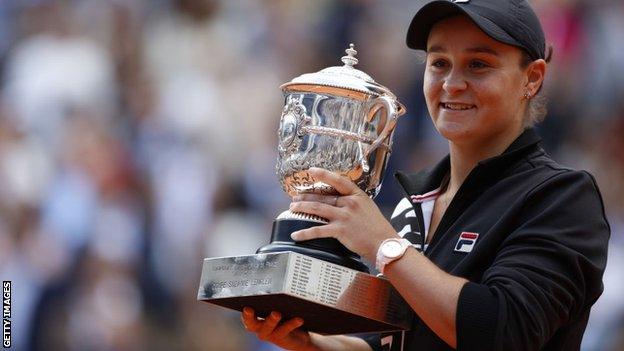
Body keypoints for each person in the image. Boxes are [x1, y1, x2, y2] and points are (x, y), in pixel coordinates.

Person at [241, 0, 610, 350]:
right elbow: (392, 342)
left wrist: (386, 247)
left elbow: (504, 331)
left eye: (478, 64)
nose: (452, 83)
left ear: (532, 78)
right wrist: (314, 344)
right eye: (439, 63)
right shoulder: (414, 201)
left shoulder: (560, 196)